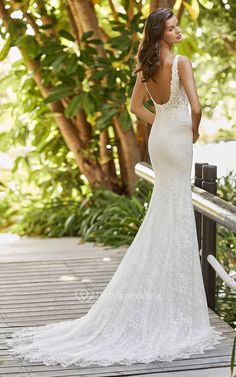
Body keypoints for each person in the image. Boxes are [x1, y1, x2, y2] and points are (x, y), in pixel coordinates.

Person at [6, 7, 224, 368]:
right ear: (161, 33)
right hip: (180, 140)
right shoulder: (181, 62)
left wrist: (163, 123)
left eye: (177, 25)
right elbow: (196, 107)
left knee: (163, 210)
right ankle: (178, 306)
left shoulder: (148, 64)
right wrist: (192, 129)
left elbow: (135, 107)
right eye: (172, 28)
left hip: (160, 140)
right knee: (176, 211)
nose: (178, 30)